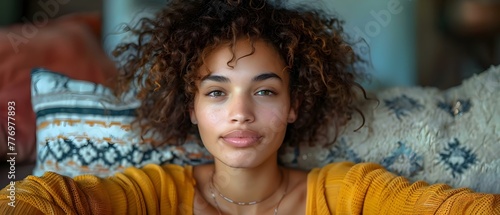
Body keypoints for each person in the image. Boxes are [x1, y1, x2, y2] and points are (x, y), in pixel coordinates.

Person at [1, 0, 499, 214]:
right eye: (217, 92)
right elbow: (56, 199)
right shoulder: (153, 191)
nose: (240, 112)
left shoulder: (347, 192)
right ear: (191, 108)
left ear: (295, 105)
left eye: (263, 91)